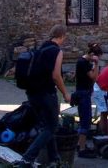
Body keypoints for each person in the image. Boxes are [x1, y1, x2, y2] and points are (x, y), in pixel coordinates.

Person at [13, 24, 70, 168]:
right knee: (51, 127)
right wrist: (65, 93)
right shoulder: (57, 51)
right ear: (62, 36)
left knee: (46, 126)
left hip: (32, 93)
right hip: (46, 93)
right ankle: (27, 159)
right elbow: (56, 75)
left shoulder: (41, 48)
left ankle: (54, 160)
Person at [74, 42, 102, 158]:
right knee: (85, 121)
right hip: (83, 94)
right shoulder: (83, 63)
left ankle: (80, 144)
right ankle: (82, 149)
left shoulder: (84, 62)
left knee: (84, 119)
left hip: (84, 93)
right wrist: (96, 64)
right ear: (92, 55)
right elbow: (94, 77)